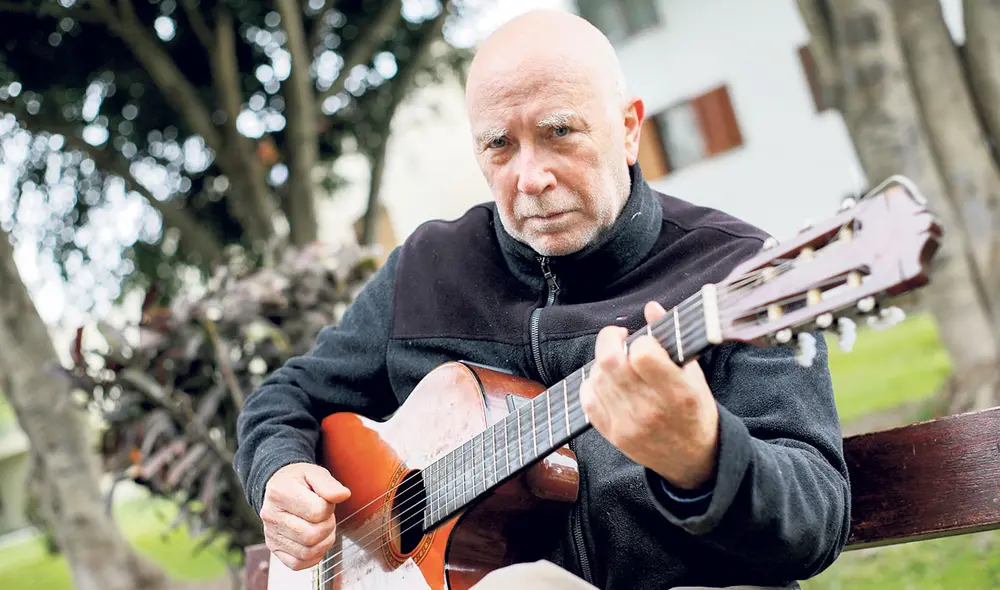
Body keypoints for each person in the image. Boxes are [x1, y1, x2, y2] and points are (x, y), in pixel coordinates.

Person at [234, 10, 851, 590]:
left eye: (560, 133)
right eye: (499, 145)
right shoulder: (428, 268)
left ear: (629, 128)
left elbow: (816, 516)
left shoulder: (737, 272)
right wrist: (280, 471)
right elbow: (288, 398)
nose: (530, 177)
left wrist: (705, 458)